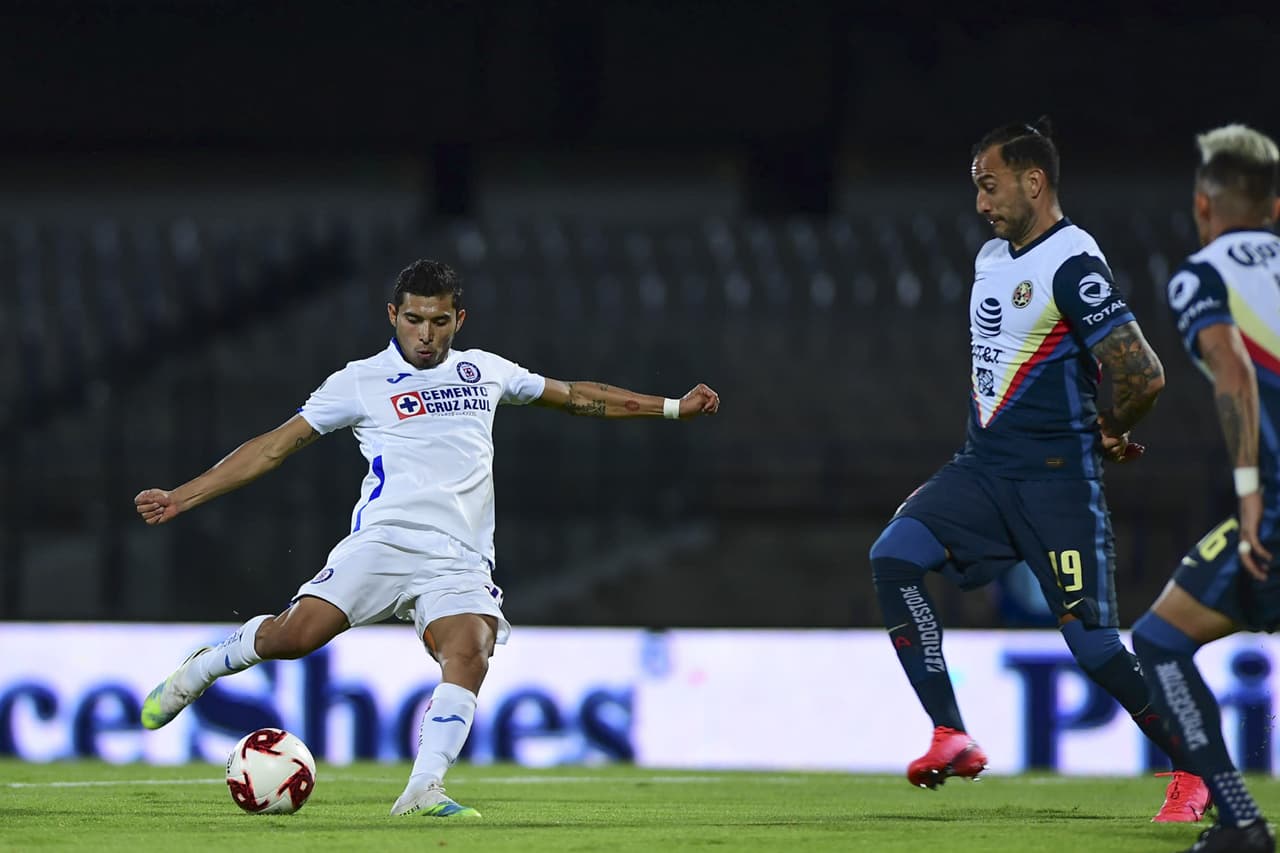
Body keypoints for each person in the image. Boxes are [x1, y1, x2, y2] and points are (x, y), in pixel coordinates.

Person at [136, 259, 720, 818]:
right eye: (414, 319)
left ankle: (423, 788)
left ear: (458, 320)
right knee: (293, 638)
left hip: (459, 558)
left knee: (470, 649)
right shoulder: (360, 380)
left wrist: (672, 408)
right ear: (393, 315)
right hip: (384, 543)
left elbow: (574, 396)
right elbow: (273, 447)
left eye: (439, 321)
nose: (425, 334)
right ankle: (204, 668)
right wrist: (183, 496)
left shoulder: (485, 370)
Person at [870, 118, 1208, 821]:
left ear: (1034, 181)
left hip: (1056, 484)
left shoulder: (1072, 263)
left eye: (990, 186)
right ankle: (950, 732)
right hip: (983, 469)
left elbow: (1144, 373)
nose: (980, 203)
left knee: (1094, 648)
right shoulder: (992, 258)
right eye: (975, 188)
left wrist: (1112, 427)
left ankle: (1196, 766)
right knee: (893, 556)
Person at [1132, 124, 1280, 853]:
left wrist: (1250, 493)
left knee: (1159, 639)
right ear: (1275, 207)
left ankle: (1239, 818)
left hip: (1275, 503)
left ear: (1202, 205)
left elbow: (1233, 371)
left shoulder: (1202, 276)